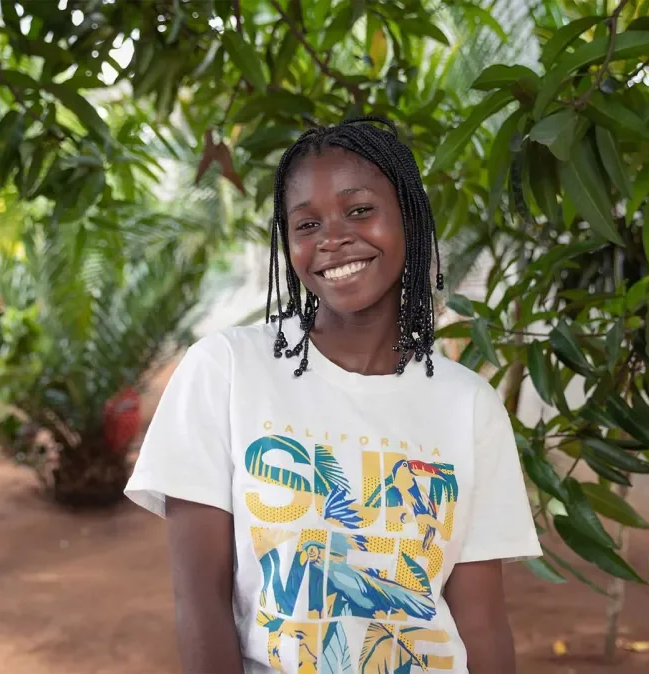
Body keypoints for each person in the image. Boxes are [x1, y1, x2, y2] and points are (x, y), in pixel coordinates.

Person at [126, 117, 541, 674]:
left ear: (410, 222)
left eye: (360, 210)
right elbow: (199, 600)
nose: (332, 238)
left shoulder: (468, 406)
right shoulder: (226, 371)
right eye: (306, 223)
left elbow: (483, 622)